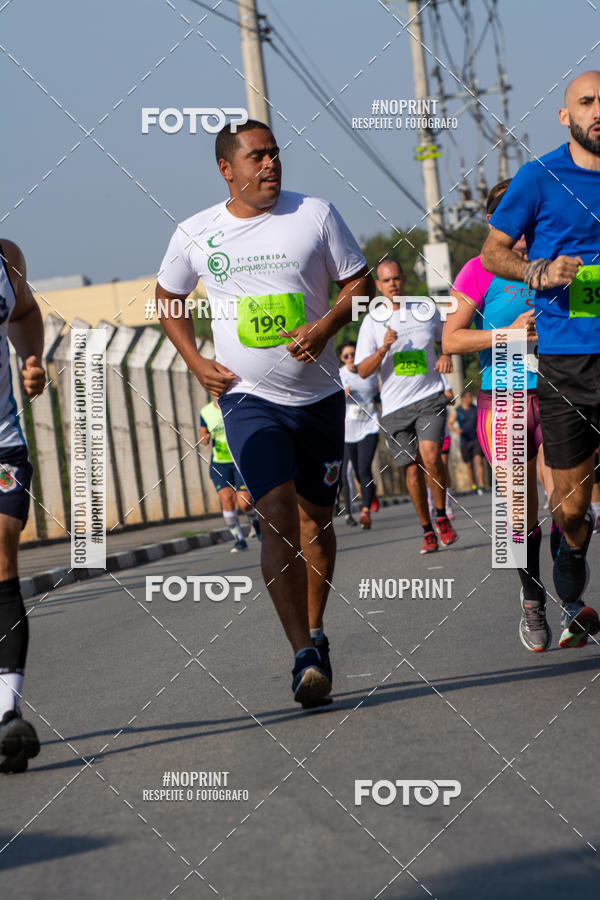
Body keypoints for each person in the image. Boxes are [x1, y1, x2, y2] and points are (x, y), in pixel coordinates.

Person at [156, 119, 373, 707]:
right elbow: (167, 299)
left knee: (316, 525)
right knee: (275, 515)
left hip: (319, 397)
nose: (270, 164)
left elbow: (360, 283)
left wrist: (325, 325)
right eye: (257, 157)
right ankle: (302, 653)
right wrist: (195, 359)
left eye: (275, 154)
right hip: (247, 398)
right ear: (228, 168)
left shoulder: (316, 215)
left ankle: (318, 629)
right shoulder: (197, 232)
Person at [480, 71, 600, 649]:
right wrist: (537, 273)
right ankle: (548, 584)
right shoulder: (539, 177)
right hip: (555, 370)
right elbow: (492, 253)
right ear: (565, 115)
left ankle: (564, 598)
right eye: (586, 101)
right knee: (559, 507)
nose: (597, 110)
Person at [444, 178, 557, 651]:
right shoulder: (476, 270)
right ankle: (533, 602)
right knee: (517, 513)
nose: (523, 228)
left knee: (570, 504)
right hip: (505, 395)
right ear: (495, 222)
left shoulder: (559, 264)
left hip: (557, 393)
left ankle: (568, 592)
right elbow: (451, 339)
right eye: (512, 219)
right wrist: (507, 333)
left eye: (529, 218)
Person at [355, 259, 458, 554]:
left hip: (429, 396)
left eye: (397, 279)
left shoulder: (424, 309)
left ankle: (441, 516)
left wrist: (446, 355)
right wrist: (384, 348)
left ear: (404, 279)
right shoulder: (372, 321)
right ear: (379, 286)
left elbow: (447, 338)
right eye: (386, 281)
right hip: (395, 406)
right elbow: (363, 370)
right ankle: (426, 529)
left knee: (431, 456)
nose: (393, 285)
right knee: (412, 472)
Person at [0, 240, 46, 773]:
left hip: (3, 444)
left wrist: (30, 359)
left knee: (3, 555)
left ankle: (8, 715)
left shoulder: (6, 256)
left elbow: (27, 311)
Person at [199, 398, 260, 552]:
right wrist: (204, 439)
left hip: (239, 460)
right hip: (220, 463)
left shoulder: (236, 404)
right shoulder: (206, 411)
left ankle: (255, 521)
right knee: (227, 499)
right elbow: (203, 434)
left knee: (245, 503)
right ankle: (239, 539)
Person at [337, 340, 380, 529]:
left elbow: (379, 396)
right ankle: (367, 494)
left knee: (363, 469)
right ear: (341, 358)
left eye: (353, 354)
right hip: (347, 431)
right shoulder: (339, 375)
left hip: (369, 427)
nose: (351, 358)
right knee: (350, 472)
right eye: (346, 356)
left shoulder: (369, 372)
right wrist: (340, 396)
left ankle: (365, 511)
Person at [451, 391, 486, 494]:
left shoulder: (476, 409)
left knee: (479, 461)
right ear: (463, 399)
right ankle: (474, 486)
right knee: (469, 465)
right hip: (465, 441)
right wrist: (454, 430)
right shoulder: (458, 411)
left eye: (471, 396)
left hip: (476, 439)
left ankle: (482, 485)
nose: (471, 399)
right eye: (469, 397)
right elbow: (449, 423)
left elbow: (483, 420)